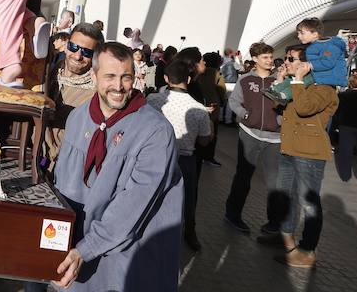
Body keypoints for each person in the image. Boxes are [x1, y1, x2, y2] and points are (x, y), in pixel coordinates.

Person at [43, 42, 182, 291]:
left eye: (125, 77)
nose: (118, 87)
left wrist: (85, 249)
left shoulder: (156, 132)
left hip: (121, 259)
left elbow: (131, 207)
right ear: (94, 76)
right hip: (75, 255)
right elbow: (61, 186)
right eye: (109, 76)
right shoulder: (78, 117)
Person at [273, 56, 338, 268]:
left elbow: (304, 108)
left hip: (309, 153)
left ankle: (308, 250)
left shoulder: (324, 89)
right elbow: (278, 105)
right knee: (285, 197)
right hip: (290, 148)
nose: (287, 63)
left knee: (308, 202)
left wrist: (298, 80)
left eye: (292, 59)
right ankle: (290, 246)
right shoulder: (297, 85)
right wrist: (282, 81)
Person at [147, 59, 212, 251]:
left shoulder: (153, 100)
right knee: (188, 198)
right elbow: (204, 141)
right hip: (185, 159)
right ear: (189, 79)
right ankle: (189, 232)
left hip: (156, 156)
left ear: (166, 78)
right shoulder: (199, 109)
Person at [224, 42, 285, 236]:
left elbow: (284, 102)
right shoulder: (245, 80)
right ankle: (232, 214)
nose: (269, 60)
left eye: (270, 57)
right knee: (243, 176)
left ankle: (274, 222)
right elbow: (234, 101)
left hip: (275, 138)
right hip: (249, 134)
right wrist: (245, 115)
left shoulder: (280, 79)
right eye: (265, 57)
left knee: (275, 182)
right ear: (256, 59)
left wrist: (280, 119)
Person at [42, 23, 104, 170]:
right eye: (74, 47)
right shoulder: (48, 70)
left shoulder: (97, 93)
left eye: (87, 52)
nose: (77, 56)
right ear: (66, 45)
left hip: (62, 166)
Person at [296, 17, 347, 89]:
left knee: (305, 80)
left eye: (302, 33)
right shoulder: (315, 47)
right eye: (298, 33)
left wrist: (310, 65)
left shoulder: (328, 46)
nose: (298, 36)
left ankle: (284, 95)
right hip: (322, 79)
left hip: (329, 81)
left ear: (314, 34)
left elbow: (328, 62)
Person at [196, 51, 227, 167]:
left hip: (199, 105)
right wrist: (223, 101)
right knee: (212, 133)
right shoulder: (217, 74)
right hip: (213, 106)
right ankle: (209, 157)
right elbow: (222, 90)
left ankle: (200, 154)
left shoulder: (199, 72)